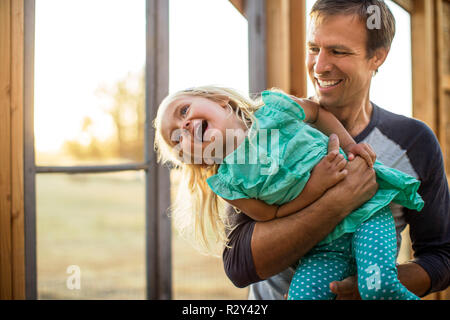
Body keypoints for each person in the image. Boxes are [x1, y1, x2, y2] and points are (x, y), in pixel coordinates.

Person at [222, 0, 450, 299]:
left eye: (338, 51)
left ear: (377, 57)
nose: (319, 66)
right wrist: (337, 202)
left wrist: (375, 287)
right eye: (314, 48)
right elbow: (238, 265)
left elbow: (441, 256)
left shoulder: (413, 140)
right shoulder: (268, 130)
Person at [154, 84, 424, 300]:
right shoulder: (229, 185)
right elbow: (273, 214)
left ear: (220, 100)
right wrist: (314, 187)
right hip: (323, 249)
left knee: (377, 287)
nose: (185, 126)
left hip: (367, 215)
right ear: (198, 159)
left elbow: (318, 113)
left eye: (184, 111)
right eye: (177, 138)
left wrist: (350, 146)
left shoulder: (275, 110)